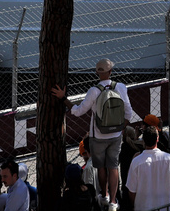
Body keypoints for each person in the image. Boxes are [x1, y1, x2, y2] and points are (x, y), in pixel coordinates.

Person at [55, 57, 139, 211]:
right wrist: (121, 128)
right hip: (115, 136)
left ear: (97, 73)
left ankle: (105, 195)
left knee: (101, 167)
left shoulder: (93, 91)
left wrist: (64, 99)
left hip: (98, 136)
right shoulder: (121, 87)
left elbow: (78, 111)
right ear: (111, 71)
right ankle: (114, 202)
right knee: (113, 167)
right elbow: (129, 113)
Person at [126, 125, 170, 211]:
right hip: (163, 207)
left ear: (143, 141)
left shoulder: (136, 162)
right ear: (157, 139)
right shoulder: (169, 159)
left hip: (143, 208)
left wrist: (134, 205)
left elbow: (131, 190)